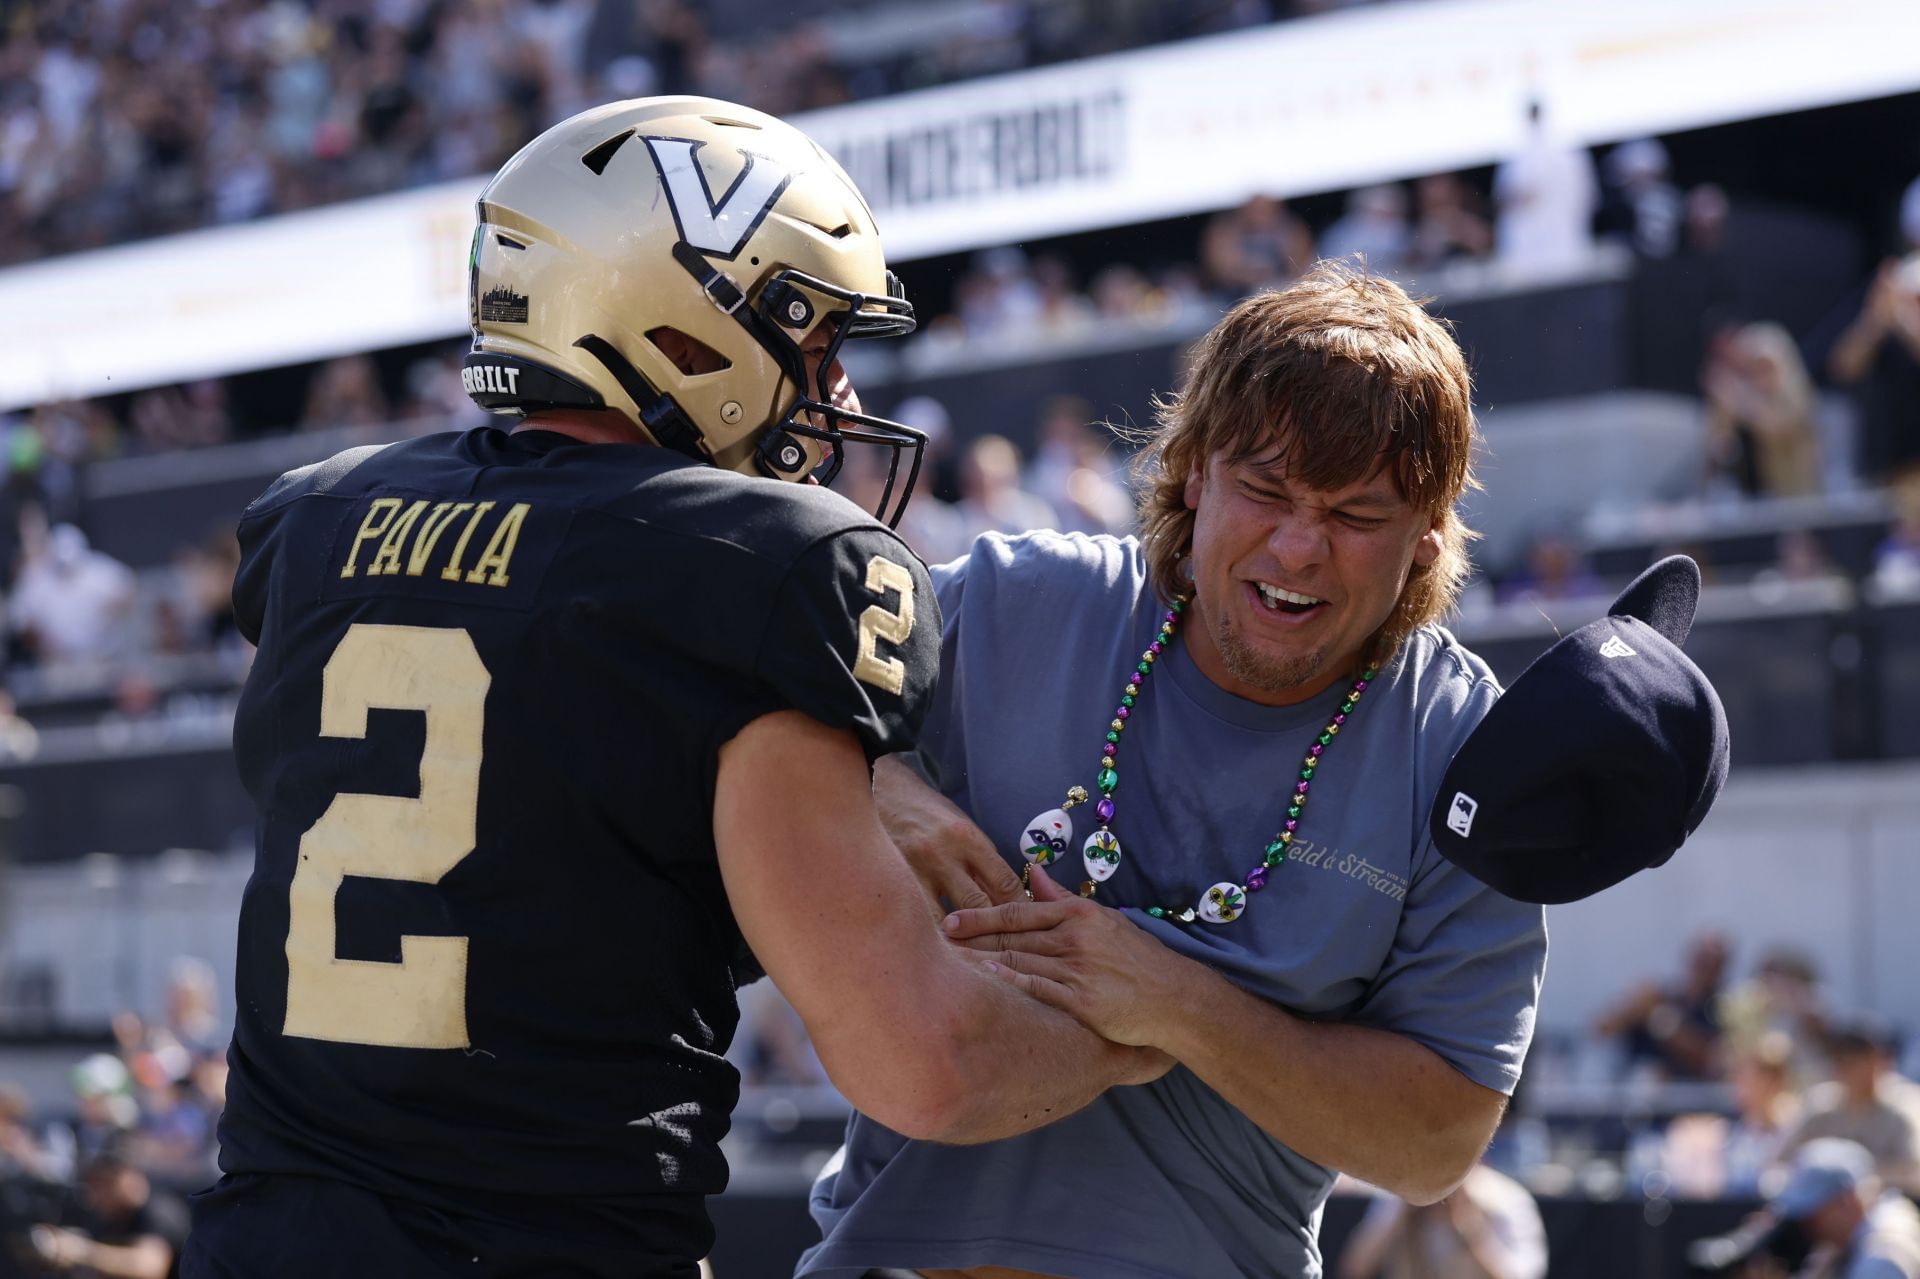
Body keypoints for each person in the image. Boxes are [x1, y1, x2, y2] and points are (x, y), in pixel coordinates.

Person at [183, 97, 1160, 1279]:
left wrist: (870, 778)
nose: (839, 395)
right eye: (812, 343)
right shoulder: (768, 565)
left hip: (262, 1239)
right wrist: (1148, 1024)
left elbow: (544, 706)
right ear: (685, 325)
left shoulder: (317, 517)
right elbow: (926, 1062)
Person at [800, 262, 1549, 1278]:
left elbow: (1433, 1145)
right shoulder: (1014, 604)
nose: (1297, 546)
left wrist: (1171, 1002)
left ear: (1426, 540)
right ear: (1194, 474)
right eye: (1266, 488)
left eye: (1354, 515)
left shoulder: (1460, 747)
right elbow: (726, 701)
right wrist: (883, 787)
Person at [1780, 1018, 1920, 1200]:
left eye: (1853, 1059)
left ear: (1877, 1060)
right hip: (1821, 1210)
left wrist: (1866, 1178)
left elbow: (1915, 1173)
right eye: (1838, 1059)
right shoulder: (1821, 1105)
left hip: (1883, 1205)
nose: (1843, 1068)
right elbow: (1781, 1163)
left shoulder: (1904, 1106)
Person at [1336, 1161, 1548, 1279]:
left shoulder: (1506, 1198)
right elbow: (1355, 1269)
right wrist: (1404, 1213)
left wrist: (1470, 1231)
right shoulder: (1401, 1197)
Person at [1767, 1138, 1920, 1279]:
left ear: (1847, 1200)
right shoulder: (1849, 1238)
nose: (1808, 1224)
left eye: (1814, 1213)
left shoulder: (1882, 1257)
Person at [29, 1149, 191, 1279]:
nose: (94, 1196)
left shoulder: (159, 1211)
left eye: (101, 1185)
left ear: (126, 1178)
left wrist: (81, 1251)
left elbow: (149, 1268)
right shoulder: (113, 1216)